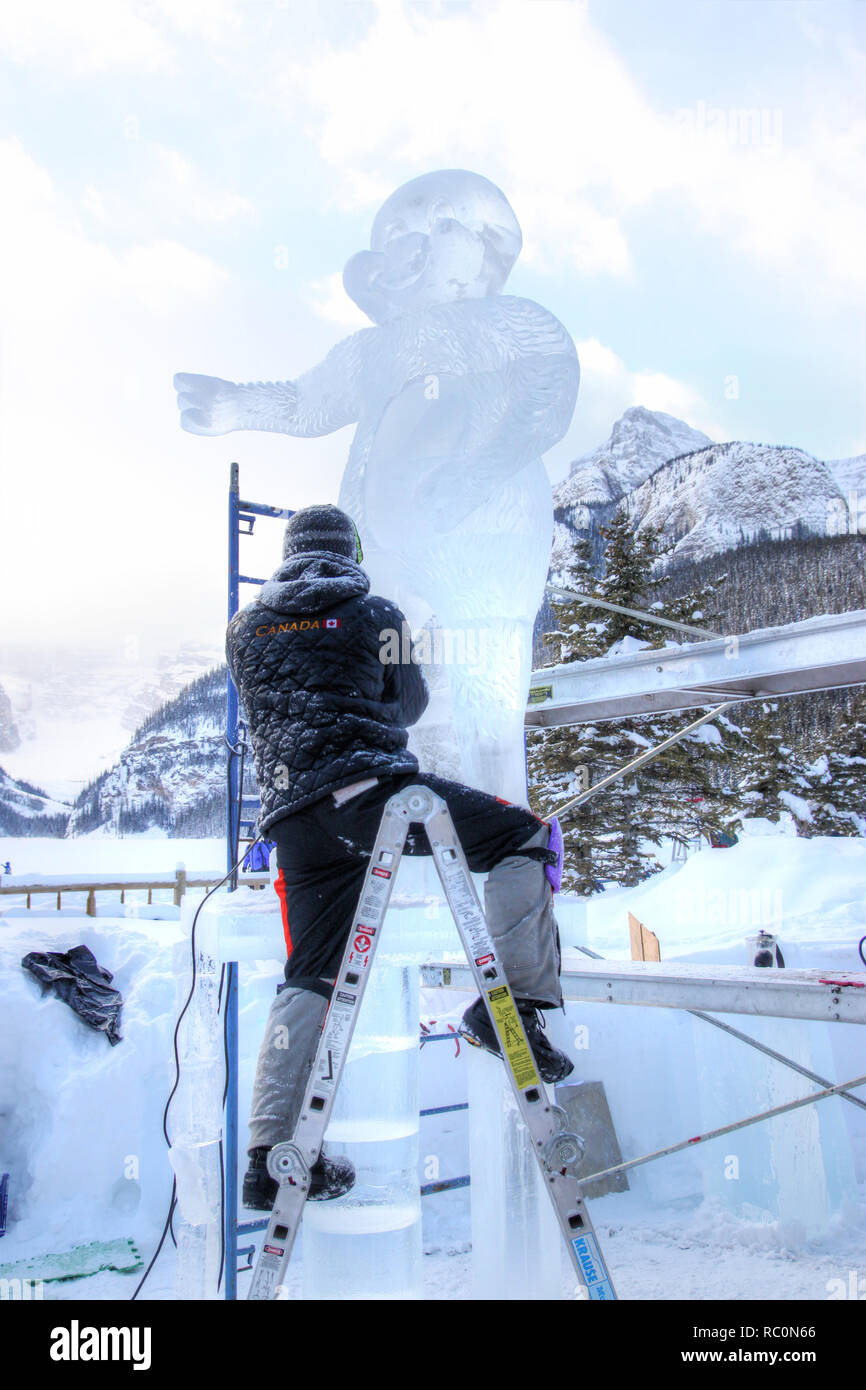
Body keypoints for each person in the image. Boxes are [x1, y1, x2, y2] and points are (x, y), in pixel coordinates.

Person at [226, 503, 573, 1211]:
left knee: (310, 977)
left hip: (294, 825)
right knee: (526, 838)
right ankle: (515, 1012)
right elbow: (409, 704)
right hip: (371, 797)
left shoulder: (244, 629)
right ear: (351, 552)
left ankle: (270, 1157)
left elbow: (276, 707)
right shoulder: (373, 610)